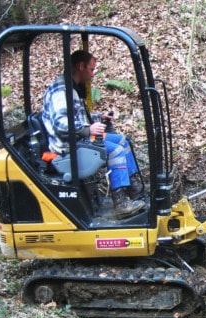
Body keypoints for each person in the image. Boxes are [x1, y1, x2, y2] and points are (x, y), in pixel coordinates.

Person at [42, 50, 145, 219]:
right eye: (91, 69)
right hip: (67, 148)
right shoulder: (62, 91)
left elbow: (77, 118)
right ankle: (120, 203)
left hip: (78, 140)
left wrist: (99, 117)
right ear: (81, 66)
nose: (93, 74)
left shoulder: (71, 88)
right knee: (115, 151)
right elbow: (61, 124)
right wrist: (87, 130)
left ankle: (134, 189)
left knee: (122, 141)